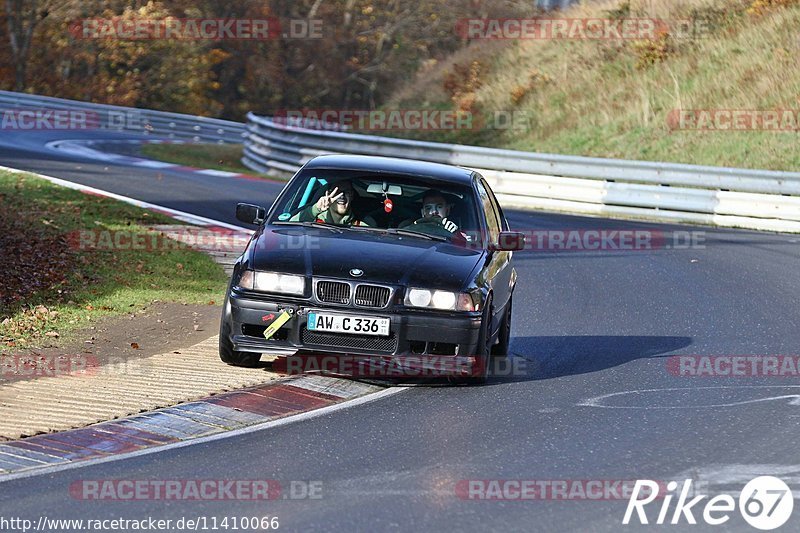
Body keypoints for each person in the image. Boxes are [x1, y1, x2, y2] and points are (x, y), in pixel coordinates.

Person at [292, 180, 373, 226]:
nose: (342, 195)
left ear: (352, 196)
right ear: (328, 194)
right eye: (337, 192)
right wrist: (315, 209)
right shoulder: (312, 222)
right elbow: (289, 227)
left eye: (347, 191)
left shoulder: (362, 227)